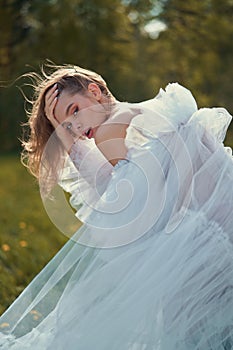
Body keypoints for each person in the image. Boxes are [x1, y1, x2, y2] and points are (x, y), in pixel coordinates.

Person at [0, 63, 233, 349]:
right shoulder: (150, 110)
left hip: (203, 247)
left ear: (95, 92)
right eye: (68, 128)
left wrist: (67, 143)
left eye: (74, 112)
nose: (78, 129)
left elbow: (121, 207)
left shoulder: (108, 131)